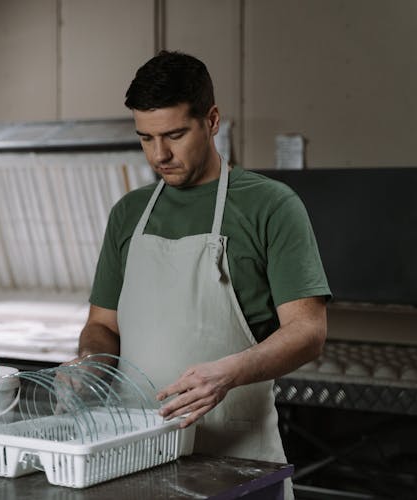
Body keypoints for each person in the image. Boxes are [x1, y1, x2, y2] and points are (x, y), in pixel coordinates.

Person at [72, 50, 330, 499]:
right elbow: (101, 325)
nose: (159, 154)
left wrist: (228, 373)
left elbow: (308, 330)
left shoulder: (271, 205)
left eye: (174, 135)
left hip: (239, 462)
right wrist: (89, 367)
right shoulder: (129, 214)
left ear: (211, 120)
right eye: (145, 138)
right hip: (137, 457)